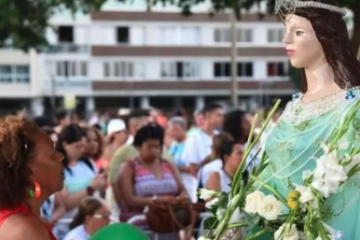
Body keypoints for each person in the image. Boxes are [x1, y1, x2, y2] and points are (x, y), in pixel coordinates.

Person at [255, 0, 360, 239]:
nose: (286, 40)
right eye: (286, 31)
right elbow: (268, 176)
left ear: (325, 37)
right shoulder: (293, 107)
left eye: (298, 32)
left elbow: (353, 189)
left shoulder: (353, 107)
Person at [119, 124, 189, 240]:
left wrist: (181, 198)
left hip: (169, 223)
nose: (154, 151)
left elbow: (182, 189)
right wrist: (156, 200)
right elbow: (129, 199)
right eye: (149, 147)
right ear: (139, 147)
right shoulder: (129, 167)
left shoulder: (168, 165)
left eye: (157, 147)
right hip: (141, 224)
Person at [0, 115, 64, 240]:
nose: (60, 156)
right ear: (29, 171)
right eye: (52, 154)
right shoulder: (24, 231)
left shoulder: (20, 223)